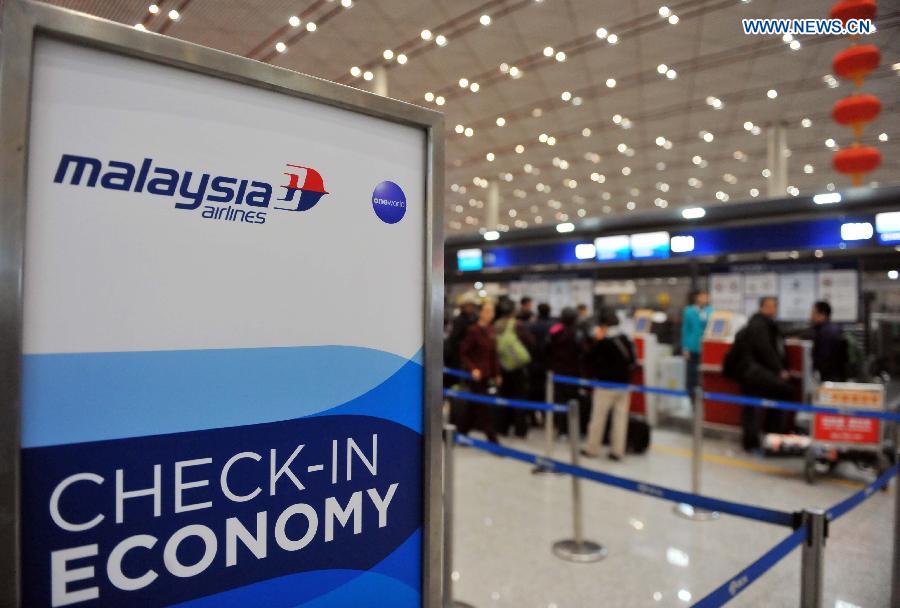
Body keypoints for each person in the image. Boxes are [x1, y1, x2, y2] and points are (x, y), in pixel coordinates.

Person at [731, 297, 793, 452]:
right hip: (755, 374)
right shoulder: (760, 325)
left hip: (753, 373)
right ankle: (761, 442)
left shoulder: (760, 324)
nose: (774, 310)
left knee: (752, 408)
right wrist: (780, 370)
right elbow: (765, 350)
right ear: (763, 307)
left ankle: (758, 442)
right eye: (772, 306)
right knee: (755, 408)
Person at [583, 308, 636, 461]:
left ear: (603, 325)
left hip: (605, 386)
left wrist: (596, 341)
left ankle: (592, 449)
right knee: (620, 419)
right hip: (624, 385)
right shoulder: (625, 339)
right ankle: (617, 451)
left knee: (598, 418)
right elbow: (632, 360)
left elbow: (589, 359)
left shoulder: (604, 342)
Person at [459, 300, 502, 443]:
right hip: (476, 375)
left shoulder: (490, 331)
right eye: (487, 311)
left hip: (487, 374)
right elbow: (464, 353)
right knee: (484, 408)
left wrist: (497, 373)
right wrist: (473, 368)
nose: (490, 314)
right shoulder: (473, 331)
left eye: (492, 311)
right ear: (481, 313)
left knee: (473, 407)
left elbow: (493, 355)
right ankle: (493, 439)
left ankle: (461, 433)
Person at [494, 299, 536, 437]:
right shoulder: (517, 325)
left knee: (503, 397)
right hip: (518, 368)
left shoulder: (496, 326)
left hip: (502, 367)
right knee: (520, 398)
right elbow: (531, 342)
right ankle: (520, 429)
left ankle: (502, 427)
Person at [547, 307, 583, 435]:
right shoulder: (577, 333)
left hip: (558, 370)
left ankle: (560, 427)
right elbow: (582, 351)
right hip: (573, 372)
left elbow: (547, 348)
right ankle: (571, 428)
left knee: (559, 400)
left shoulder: (555, 331)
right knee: (573, 400)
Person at [681, 290, 712, 398]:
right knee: (691, 372)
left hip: (706, 347)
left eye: (707, 296)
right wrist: (685, 347)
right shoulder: (689, 311)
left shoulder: (711, 311)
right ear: (697, 297)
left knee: (704, 373)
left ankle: (704, 395)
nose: (706, 298)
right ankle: (690, 395)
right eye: (703, 296)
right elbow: (685, 330)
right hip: (692, 346)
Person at [810, 301, 848, 382]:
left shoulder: (826, 333)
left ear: (822, 315)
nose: (811, 316)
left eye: (813, 313)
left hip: (830, 379)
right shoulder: (834, 329)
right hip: (839, 376)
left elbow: (824, 359)